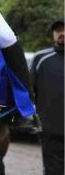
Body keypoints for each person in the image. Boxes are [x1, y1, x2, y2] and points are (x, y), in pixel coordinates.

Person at [31, 19, 64, 175]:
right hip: (51, 131)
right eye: (58, 30)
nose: (62, 33)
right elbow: (30, 92)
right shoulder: (41, 59)